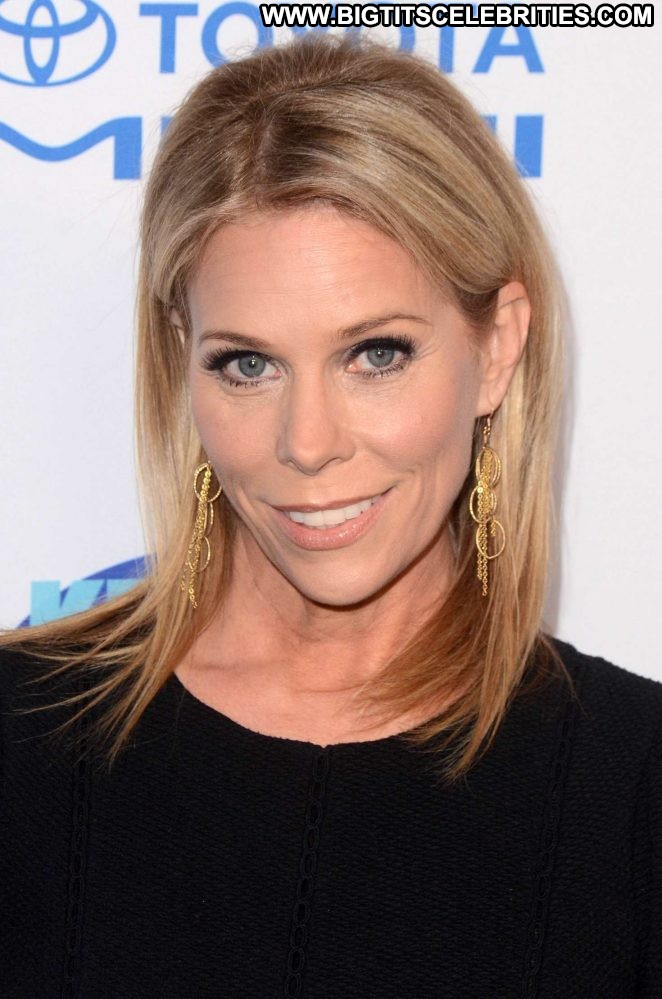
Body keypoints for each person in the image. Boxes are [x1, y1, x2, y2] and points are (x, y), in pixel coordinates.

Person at [0, 31, 660, 999]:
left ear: (495, 349)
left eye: (375, 354)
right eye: (247, 364)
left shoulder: (632, 785)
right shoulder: (21, 736)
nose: (306, 443)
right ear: (183, 357)